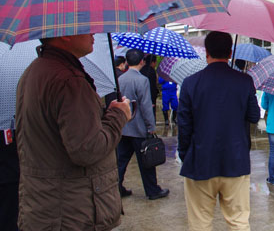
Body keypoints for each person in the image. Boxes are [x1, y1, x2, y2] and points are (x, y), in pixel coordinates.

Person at [15, 34, 131, 230]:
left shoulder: (34, 72)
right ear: (66, 34)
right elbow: (88, 149)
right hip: (72, 212)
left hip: (46, 207)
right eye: (86, 27)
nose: (93, 33)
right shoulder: (69, 81)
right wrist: (118, 116)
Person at [178, 31, 260, 231]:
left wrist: (185, 155)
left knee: (200, 224)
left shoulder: (190, 83)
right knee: (239, 222)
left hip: (200, 161)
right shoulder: (245, 81)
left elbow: (184, 126)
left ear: (206, 52)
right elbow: (254, 116)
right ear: (230, 53)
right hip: (236, 160)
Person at [117, 48, 169, 200]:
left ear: (127, 61)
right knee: (146, 161)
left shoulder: (120, 79)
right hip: (139, 128)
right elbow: (146, 106)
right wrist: (151, 126)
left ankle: (116, 188)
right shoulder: (142, 80)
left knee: (121, 161)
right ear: (142, 61)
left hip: (123, 127)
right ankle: (152, 190)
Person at [140, 54, 159, 122]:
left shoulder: (141, 70)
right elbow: (153, 87)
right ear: (153, 62)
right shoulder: (152, 72)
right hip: (150, 97)